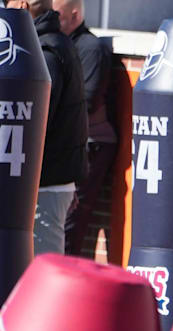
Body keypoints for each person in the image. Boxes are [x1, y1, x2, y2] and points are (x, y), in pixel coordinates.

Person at [7, 0, 87, 255]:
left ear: (22, 5)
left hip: (44, 184)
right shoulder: (51, 45)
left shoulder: (44, 51)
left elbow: (39, 121)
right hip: (47, 182)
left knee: (41, 266)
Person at [54, 0, 117, 259]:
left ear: (75, 14)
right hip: (69, 143)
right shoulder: (55, 44)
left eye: (56, 14)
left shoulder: (90, 48)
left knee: (70, 219)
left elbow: (87, 101)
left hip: (90, 143)